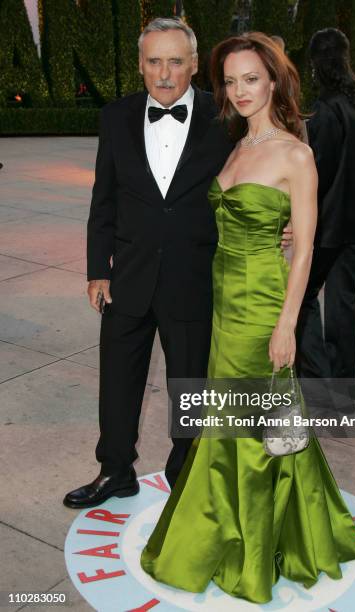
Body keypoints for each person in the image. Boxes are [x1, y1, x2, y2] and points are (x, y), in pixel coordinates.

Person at [140, 32, 355, 604]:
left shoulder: (296, 153)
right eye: (231, 80)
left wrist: (288, 323)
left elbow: (306, 247)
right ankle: (261, 525)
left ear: (274, 81)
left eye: (252, 78)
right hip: (223, 304)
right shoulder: (236, 145)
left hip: (264, 304)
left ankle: (246, 547)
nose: (240, 90)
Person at [63, 17, 234, 509]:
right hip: (128, 278)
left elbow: (255, 181)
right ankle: (115, 470)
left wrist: (281, 220)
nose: (164, 73)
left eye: (175, 61)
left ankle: (186, 475)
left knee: (190, 387)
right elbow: (104, 199)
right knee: (117, 381)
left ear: (194, 65)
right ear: (140, 65)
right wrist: (98, 268)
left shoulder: (223, 117)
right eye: (154, 61)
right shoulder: (115, 117)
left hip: (193, 277)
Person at [296, 29, 355, 388]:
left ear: (315, 63)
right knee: (344, 304)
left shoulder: (327, 107)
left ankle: (315, 376)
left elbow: (321, 172)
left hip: (330, 222)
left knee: (302, 296)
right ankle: (344, 387)